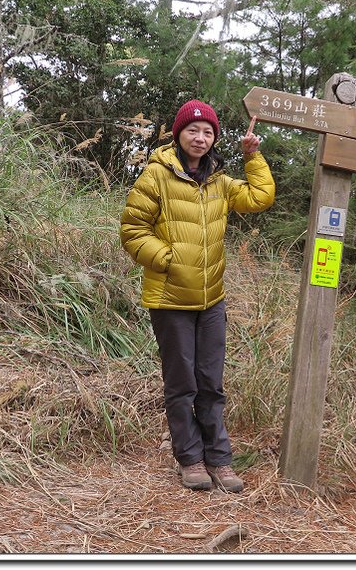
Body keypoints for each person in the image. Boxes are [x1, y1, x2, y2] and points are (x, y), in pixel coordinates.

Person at [120, 99, 275, 493]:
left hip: (211, 299)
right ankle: (190, 459)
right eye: (193, 130)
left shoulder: (220, 181)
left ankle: (219, 460)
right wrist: (168, 260)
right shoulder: (156, 175)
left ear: (214, 138)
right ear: (179, 134)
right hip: (170, 298)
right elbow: (132, 230)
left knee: (211, 382)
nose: (200, 138)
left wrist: (252, 157)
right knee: (181, 383)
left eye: (208, 132)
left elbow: (260, 198)